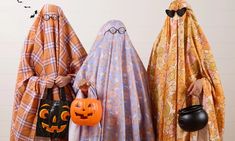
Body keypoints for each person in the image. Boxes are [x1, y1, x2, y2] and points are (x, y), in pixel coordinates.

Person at [147, 0, 225, 140]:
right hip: (166, 115)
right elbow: (151, 84)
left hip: (192, 112)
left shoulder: (200, 45)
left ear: (189, 15)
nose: (176, 18)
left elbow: (215, 81)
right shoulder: (159, 45)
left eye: (181, 13)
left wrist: (203, 83)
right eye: (171, 14)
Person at [10, 4, 87, 141]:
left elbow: (85, 74)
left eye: (55, 18)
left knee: (66, 134)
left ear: (62, 19)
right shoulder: (31, 41)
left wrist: (68, 79)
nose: (51, 22)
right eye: (47, 17)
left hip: (66, 100)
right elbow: (24, 78)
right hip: (37, 101)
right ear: (40, 19)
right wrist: (41, 82)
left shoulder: (71, 39)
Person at [69, 20, 155, 141]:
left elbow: (143, 93)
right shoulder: (93, 61)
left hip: (127, 117)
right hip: (99, 113)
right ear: (103, 34)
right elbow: (78, 85)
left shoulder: (135, 64)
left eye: (121, 32)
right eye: (111, 32)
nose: (116, 37)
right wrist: (85, 89)